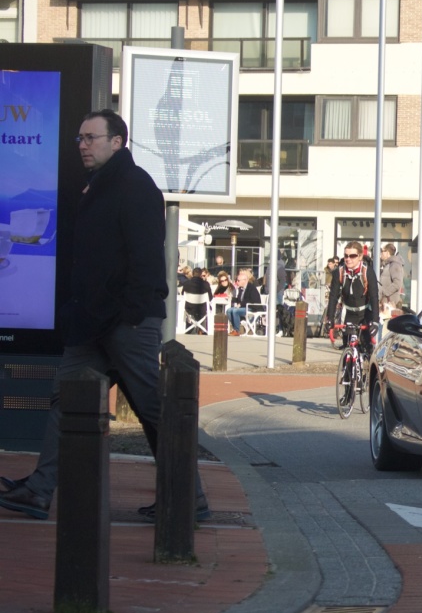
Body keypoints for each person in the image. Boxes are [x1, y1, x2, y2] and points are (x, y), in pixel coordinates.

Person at [0, 109, 209, 521]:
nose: (82, 144)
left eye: (91, 137)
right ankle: (40, 490)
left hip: (126, 323)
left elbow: (147, 258)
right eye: (80, 138)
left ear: (117, 141)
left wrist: (132, 314)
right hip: (93, 323)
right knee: (67, 398)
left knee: (151, 407)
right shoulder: (97, 187)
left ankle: (188, 498)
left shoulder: (134, 187)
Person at [326, 240, 380, 354]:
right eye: (346, 256)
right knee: (348, 348)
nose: (348, 259)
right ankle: (347, 368)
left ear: (360, 257)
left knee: (367, 349)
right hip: (349, 313)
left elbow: (375, 297)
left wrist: (375, 321)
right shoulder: (339, 272)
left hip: (365, 312)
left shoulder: (368, 272)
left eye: (352, 256)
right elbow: (333, 296)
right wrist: (329, 318)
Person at [226, 268, 262, 336]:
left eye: (238, 280)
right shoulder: (241, 288)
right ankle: (235, 328)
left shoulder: (251, 288)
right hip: (244, 306)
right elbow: (240, 300)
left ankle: (237, 330)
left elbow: (252, 300)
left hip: (253, 307)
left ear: (245, 280)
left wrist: (241, 304)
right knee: (229, 310)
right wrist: (232, 298)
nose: (237, 282)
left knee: (235, 311)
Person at [378, 243, 405, 308]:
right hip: (386, 303)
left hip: (391, 303)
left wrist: (384, 292)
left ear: (387, 252)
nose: (381, 253)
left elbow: (397, 284)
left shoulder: (394, 264)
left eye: (382, 251)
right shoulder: (387, 265)